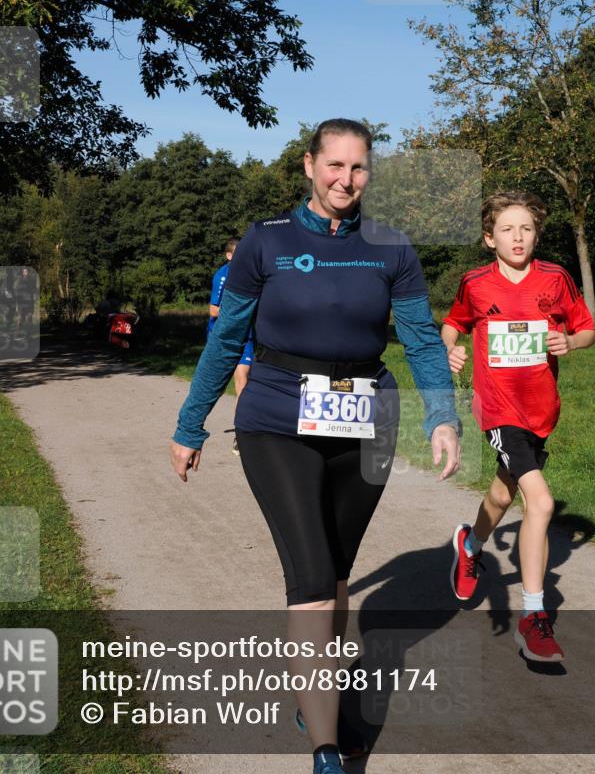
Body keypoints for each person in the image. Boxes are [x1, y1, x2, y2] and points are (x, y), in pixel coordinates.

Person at [170, 119, 461, 774]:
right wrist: (192, 424)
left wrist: (442, 415)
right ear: (308, 165)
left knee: (334, 576)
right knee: (308, 574)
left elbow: (419, 337)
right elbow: (226, 340)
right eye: (334, 166)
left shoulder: (391, 247)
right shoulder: (265, 242)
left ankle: (315, 698)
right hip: (276, 415)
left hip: (367, 420)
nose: (345, 180)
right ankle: (326, 748)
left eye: (358, 169)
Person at [442, 191, 595, 663]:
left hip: (541, 409)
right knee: (542, 501)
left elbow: (588, 328)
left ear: (536, 235)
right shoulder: (475, 283)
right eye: (507, 229)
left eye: (526, 228)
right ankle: (533, 618)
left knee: (505, 494)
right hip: (497, 407)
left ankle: (471, 543)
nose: (518, 237)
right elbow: (452, 324)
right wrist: (449, 349)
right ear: (490, 238)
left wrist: (570, 341)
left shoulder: (556, 278)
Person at [208, 237, 254, 454]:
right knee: (215, 385)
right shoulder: (222, 276)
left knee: (242, 381)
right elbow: (213, 311)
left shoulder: (253, 275)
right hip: (224, 336)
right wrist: (238, 312)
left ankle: (240, 434)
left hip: (249, 336)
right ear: (229, 256)